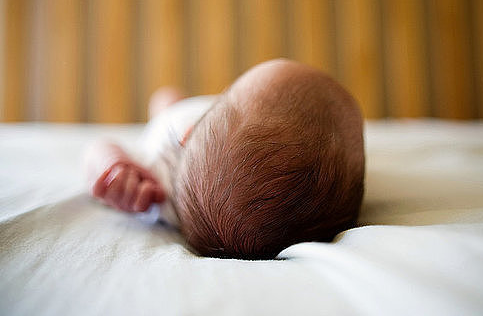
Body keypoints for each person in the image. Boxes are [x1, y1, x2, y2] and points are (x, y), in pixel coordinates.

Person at [85, 59, 365, 260]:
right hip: (214, 126)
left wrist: (113, 167)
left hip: (175, 127)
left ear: (190, 134)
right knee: (173, 100)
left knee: (166, 100)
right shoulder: (319, 194)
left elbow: (98, 145)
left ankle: (168, 109)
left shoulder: (155, 187)